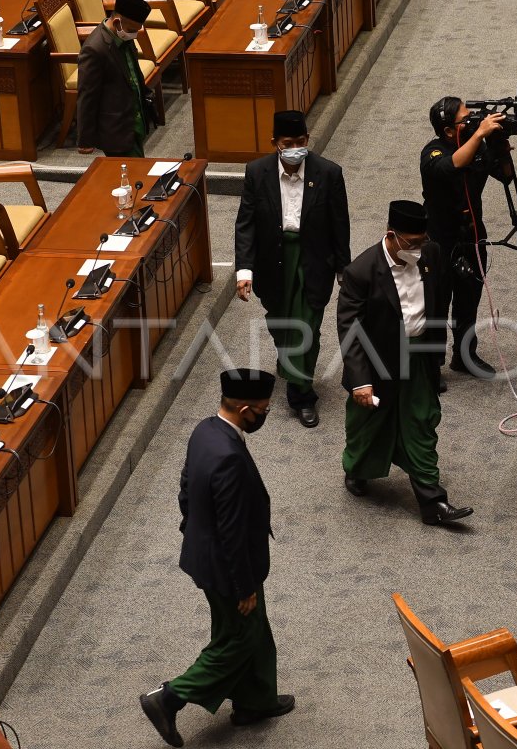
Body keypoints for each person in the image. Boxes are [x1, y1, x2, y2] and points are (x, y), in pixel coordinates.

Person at [140, 369, 294, 747]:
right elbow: (233, 532)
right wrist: (244, 587)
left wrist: (192, 528)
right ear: (244, 409)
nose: (265, 414)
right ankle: (168, 698)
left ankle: (254, 701)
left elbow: (186, 486)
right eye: (262, 410)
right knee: (238, 638)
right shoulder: (229, 457)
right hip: (228, 568)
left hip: (206, 554)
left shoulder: (205, 430)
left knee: (254, 629)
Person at [337, 201, 474, 526]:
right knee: (367, 424)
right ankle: (357, 469)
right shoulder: (361, 271)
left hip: (418, 355)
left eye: (422, 241)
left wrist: (435, 354)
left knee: (421, 421)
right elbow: (350, 329)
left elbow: (439, 303)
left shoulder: (432, 254)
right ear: (391, 236)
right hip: (378, 360)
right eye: (412, 243)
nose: (418, 249)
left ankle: (432, 504)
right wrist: (360, 381)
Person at [234, 110, 351, 429]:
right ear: (275, 143)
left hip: (313, 260)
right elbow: (245, 225)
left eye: (301, 142)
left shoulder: (328, 173)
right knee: (281, 325)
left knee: (307, 327)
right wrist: (244, 270)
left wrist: (344, 267)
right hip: (273, 262)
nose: (295, 148)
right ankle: (290, 363)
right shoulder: (257, 172)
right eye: (288, 143)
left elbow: (340, 223)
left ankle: (302, 396)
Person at [419, 96, 507, 380]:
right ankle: (432, 366)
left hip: (471, 235)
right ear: (448, 130)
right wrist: (480, 133)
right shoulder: (432, 152)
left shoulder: (478, 146)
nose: (473, 123)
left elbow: (506, 177)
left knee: (468, 300)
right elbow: (450, 167)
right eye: (466, 120)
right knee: (437, 305)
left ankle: (465, 356)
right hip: (439, 242)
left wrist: (498, 147)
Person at [76, 0, 154, 158]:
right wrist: (85, 139)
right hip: (116, 127)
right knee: (132, 175)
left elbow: (133, 71)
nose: (134, 34)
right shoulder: (94, 49)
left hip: (134, 118)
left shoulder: (124, 35)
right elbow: (87, 96)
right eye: (132, 30)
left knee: (137, 171)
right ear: (117, 22)